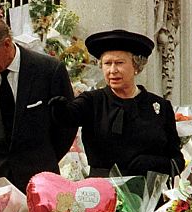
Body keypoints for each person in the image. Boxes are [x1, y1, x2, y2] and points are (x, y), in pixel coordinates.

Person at [0, 15, 77, 192]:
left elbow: (66, 125)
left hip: (38, 180)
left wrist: (42, 157)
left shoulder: (48, 71)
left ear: (6, 44)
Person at [48, 29, 183, 178]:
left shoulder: (160, 106)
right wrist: (59, 109)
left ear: (136, 66)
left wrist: (153, 163)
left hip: (148, 193)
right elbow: (69, 117)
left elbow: (177, 161)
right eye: (107, 63)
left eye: (119, 63)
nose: (112, 70)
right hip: (102, 193)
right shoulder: (92, 101)